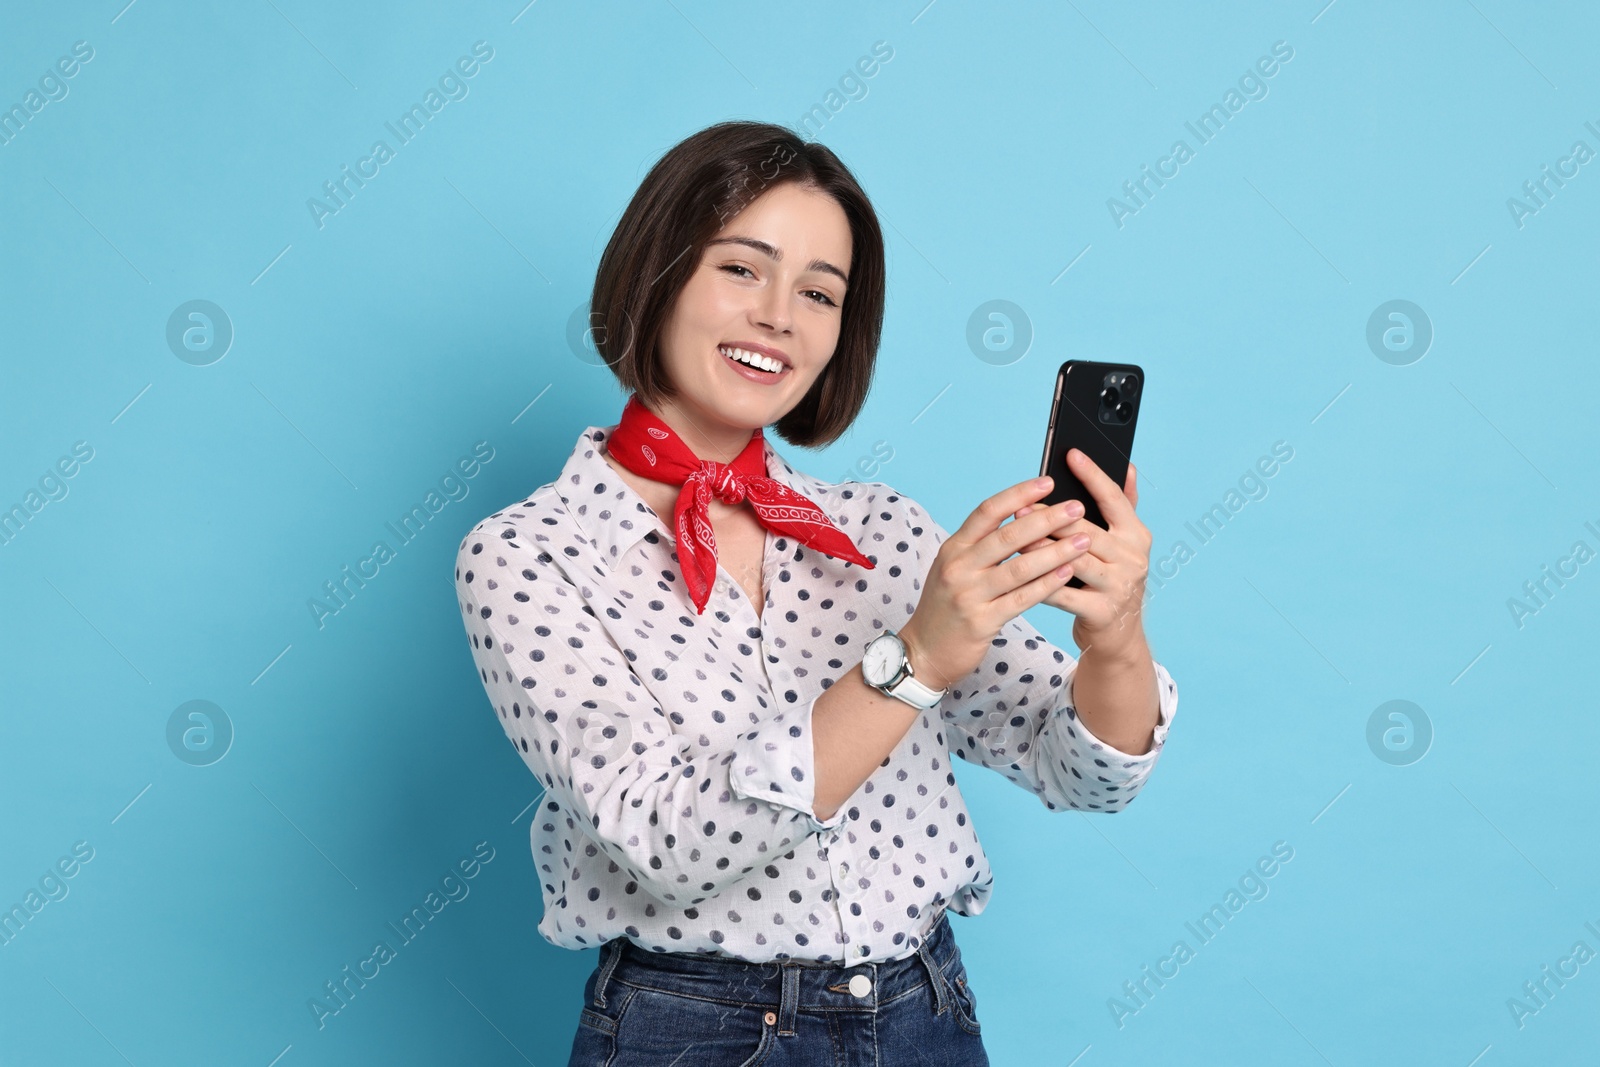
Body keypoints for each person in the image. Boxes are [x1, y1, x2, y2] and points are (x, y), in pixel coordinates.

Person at [452, 120, 1179, 1066]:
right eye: (742, 269)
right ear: (657, 273)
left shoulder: (881, 531)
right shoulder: (526, 556)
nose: (780, 316)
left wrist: (1114, 634)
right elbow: (669, 842)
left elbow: (1081, 771)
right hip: (691, 1029)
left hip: (925, 1013)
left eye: (819, 292)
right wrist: (914, 661)